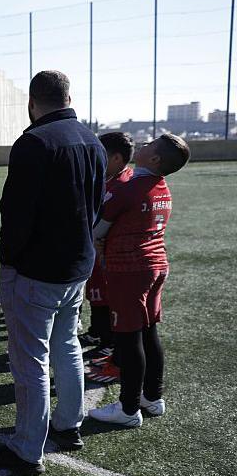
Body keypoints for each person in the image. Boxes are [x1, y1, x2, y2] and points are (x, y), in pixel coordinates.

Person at [0, 70, 106, 475]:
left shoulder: (34, 142)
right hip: (76, 265)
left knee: (31, 360)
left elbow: (17, 214)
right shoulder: (93, 140)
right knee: (66, 346)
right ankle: (68, 424)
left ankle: (27, 448)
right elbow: (96, 206)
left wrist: (10, 259)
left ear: (32, 100)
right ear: (68, 95)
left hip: (38, 269)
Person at [87, 134, 189, 428]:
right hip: (156, 266)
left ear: (155, 158)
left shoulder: (128, 189)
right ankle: (152, 397)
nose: (142, 147)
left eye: (148, 145)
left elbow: (96, 232)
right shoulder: (162, 187)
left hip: (130, 270)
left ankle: (129, 408)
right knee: (148, 332)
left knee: (129, 337)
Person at [83, 132, 136, 384]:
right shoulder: (109, 180)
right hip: (100, 251)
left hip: (111, 255)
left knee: (107, 297)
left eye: (101, 154)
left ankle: (109, 344)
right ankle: (100, 336)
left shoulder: (122, 184)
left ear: (116, 158)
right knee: (97, 293)